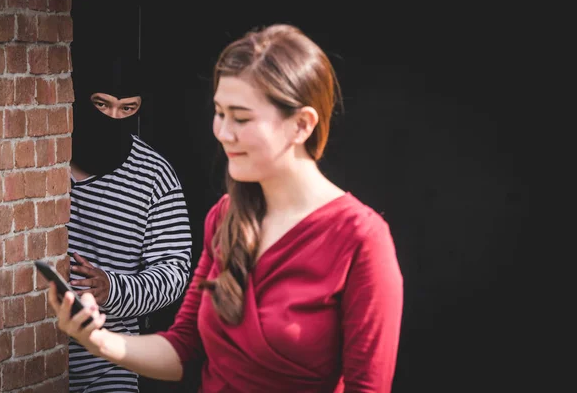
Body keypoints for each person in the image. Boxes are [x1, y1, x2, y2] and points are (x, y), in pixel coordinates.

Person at [51, 24, 403, 392]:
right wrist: (98, 339)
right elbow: (183, 350)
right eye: (220, 112)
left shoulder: (361, 240)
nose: (222, 131)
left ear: (301, 125)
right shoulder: (226, 217)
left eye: (242, 117)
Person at [67, 56, 192, 392]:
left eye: (127, 108)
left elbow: (174, 271)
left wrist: (112, 288)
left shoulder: (155, 177)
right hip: (27, 350)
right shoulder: (41, 156)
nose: (112, 117)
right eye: (101, 104)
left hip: (107, 363)